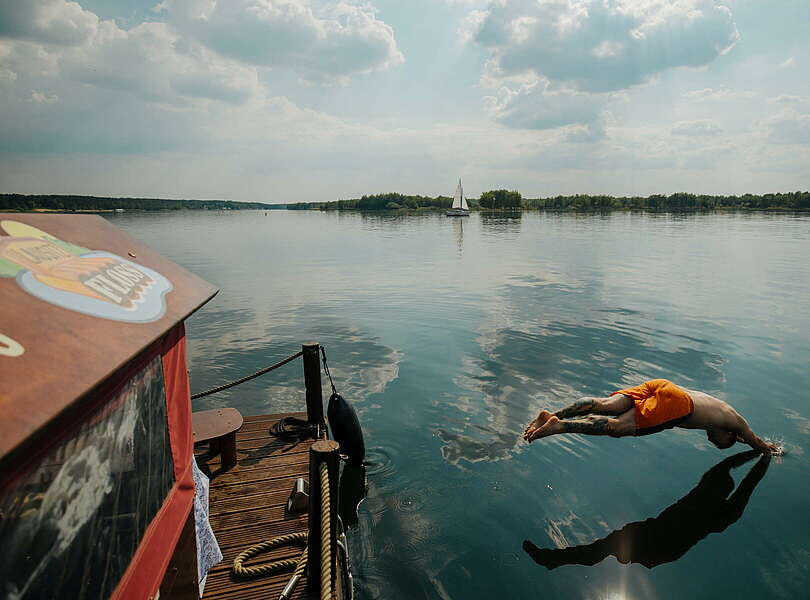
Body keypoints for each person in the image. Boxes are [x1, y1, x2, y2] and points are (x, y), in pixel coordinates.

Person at [523, 450, 770, 569]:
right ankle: (553, 560)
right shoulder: (713, 499)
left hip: (662, 544)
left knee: (603, 548)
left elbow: (741, 477)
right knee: (603, 548)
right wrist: (761, 453)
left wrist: (760, 451)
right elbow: (745, 480)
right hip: (657, 540)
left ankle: (553, 560)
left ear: (716, 491)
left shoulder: (715, 505)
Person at [523, 379, 778, 453]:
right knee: (616, 427)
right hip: (678, 404)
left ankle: (550, 415)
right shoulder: (737, 424)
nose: (710, 438)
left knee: (605, 405)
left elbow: (745, 439)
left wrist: (746, 443)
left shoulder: (726, 416)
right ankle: (559, 426)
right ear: (729, 434)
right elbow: (755, 440)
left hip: (662, 386)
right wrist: (770, 450)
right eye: (718, 442)